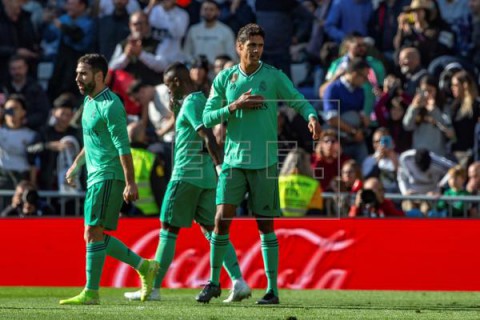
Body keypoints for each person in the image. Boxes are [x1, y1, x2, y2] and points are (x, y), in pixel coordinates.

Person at [197, 23, 321, 305]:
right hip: (232, 161)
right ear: (238, 47)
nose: (256, 50)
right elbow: (206, 119)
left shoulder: (273, 76)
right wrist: (234, 106)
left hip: (264, 162)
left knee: (265, 225)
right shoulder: (225, 79)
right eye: (251, 45)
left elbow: (298, 100)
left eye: (260, 46)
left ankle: (272, 291)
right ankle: (214, 282)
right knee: (220, 220)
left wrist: (312, 116)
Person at [124, 62, 251, 302]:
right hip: (205, 178)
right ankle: (238, 281)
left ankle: (152, 289)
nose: (168, 90)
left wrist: (221, 166)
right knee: (213, 230)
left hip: (185, 174)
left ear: (178, 82)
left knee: (168, 229)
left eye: (169, 85)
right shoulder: (200, 100)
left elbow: (207, 137)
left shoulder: (192, 103)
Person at [59, 53, 159, 305]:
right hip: (95, 176)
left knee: (93, 232)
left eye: (83, 73)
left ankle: (91, 292)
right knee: (95, 233)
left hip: (108, 175)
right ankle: (144, 267)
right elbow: (92, 142)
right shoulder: (90, 102)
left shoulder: (111, 105)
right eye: (77, 73)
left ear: (100, 76)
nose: (78, 78)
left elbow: (122, 146)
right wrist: (75, 165)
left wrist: (130, 182)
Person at [0, 94, 39, 189]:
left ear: (23, 112)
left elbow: (33, 162)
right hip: (3, 177)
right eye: (8, 109)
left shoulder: (31, 135)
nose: (11, 112)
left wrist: (33, 184)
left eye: (15, 108)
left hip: (22, 179)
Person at [183, 0, 237, 65]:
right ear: (200, 11)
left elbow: (232, 55)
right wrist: (197, 63)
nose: (208, 12)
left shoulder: (226, 31)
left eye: (211, 10)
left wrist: (217, 65)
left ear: (218, 12)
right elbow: (186, 53)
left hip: (218, 72)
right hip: (197, 71)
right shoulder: (193, 30)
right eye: (205, 9)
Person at [279, 148, 323, 216]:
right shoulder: (314, 184)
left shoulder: (278, 181)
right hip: (304, 224)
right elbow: (316, 210)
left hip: (279, 223)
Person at [362, 127, 400, 193]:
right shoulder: (369, 160)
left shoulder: (399, 158)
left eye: (384, 140)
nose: (381, 144)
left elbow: (404, 178)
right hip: (378, 194)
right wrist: (377, 161)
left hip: (396, 193)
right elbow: (366, 179)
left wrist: (394, 160)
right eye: (376, 141)